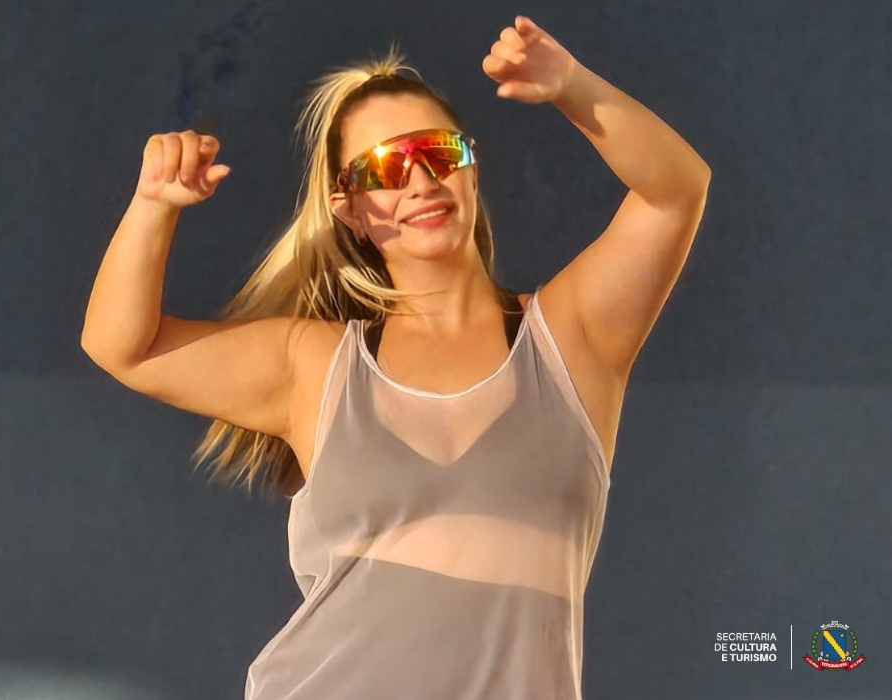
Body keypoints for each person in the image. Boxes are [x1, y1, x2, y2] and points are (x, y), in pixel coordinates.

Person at [82, 15, 709, 700]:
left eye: (438, 151)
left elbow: (676, 192)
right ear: (350, 208)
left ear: (470, 166)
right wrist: (154, 204)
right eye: (383, 168)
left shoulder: (571, 338)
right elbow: (123, 347)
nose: (419, 180)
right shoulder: (315, 365)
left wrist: (571, 84)